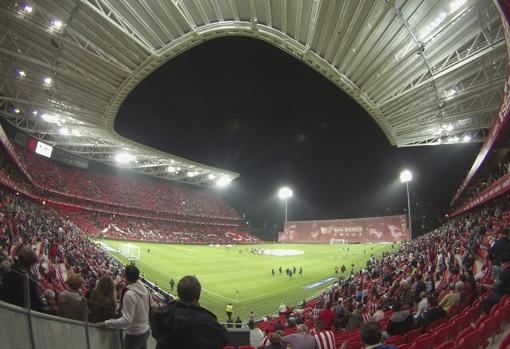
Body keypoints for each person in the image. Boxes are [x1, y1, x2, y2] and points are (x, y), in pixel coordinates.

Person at [152, 275, 227, 349]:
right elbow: (222, 339)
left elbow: (155, 334)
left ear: (178, 292)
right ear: (198, 295)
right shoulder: (206, 320)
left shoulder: (161, 314)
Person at [100, 265, 151, 349]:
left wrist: (106, 323)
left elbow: (126, 320)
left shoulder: (129, 294)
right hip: (145, 330)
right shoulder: (146, 290)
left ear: (126, 277)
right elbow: (150, 306)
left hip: (135, 334)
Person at [3, 246, 50, 313]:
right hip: (23, 314)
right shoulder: (32, 280)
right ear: (30, 264)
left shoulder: (8, 271)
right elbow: (42, 306)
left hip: (7, 310)